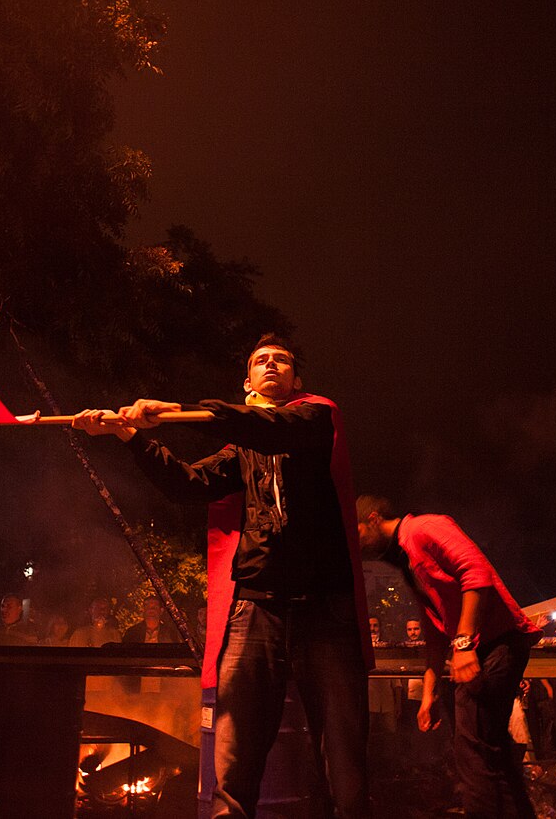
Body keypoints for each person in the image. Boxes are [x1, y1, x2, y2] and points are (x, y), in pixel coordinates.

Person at [72, 334, 373, 819]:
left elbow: (273, 429)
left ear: (297, 378)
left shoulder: (316, 416)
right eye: (261, 361)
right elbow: (186, 483)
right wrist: (130, 436)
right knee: (234, 766)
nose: (271, 365)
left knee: (345, 766)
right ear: (247, 381)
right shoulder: (242, 449)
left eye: (281, 361)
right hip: (257, 607)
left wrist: (180, 411)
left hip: (325, 610)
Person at [357, 494, 540, 819]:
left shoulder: (424, 528)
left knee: (472, 752)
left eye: (356, 532)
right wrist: (429, 691)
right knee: (489, 751)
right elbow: (434, 626)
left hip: (496, 643)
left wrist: (464, 643)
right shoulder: (406, 556)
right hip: (484, 645)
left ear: (373, 519)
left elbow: (476, 571)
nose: (356, 544)